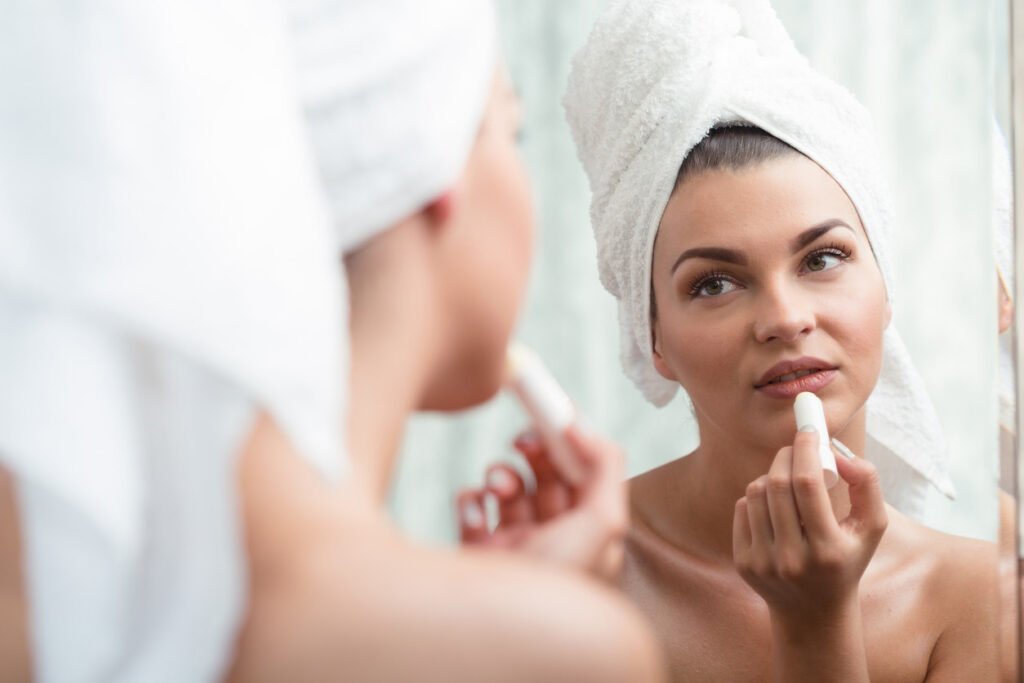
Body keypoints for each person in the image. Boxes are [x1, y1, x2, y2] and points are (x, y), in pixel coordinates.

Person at [1, 2, 668, 681]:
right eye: (509, 131)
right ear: (435, 170)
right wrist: (535, 626)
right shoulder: (567, 652)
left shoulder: (45, 598)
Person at [471, 0, 998, 679]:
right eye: (715, 283)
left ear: (885, 287)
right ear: (653, 336)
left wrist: (818, 625)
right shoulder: (573, 570)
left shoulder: (980, 602)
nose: (783, 317)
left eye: (822, 258)